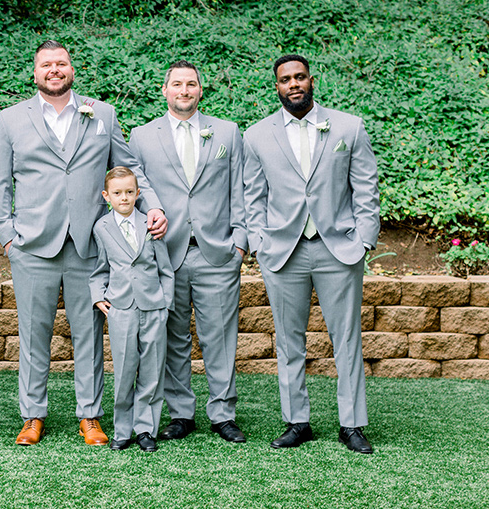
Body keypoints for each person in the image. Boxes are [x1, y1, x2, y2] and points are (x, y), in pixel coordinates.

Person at [0, 40, 167, 446]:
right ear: (35, 73)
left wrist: (150, 205)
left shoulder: (101, 113)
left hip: (91, 247)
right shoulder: (11, 120)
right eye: (46, 64)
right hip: (33, 246)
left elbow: (130, 168)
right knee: (34, 334)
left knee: (90, 334)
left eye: (61, 63)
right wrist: (9, 238)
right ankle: (33, 415)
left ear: (71, 69)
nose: (54, 69)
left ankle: (90, 416)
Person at [243, 54, 380, 454]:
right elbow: (253, 196)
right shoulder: (256, 136)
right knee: (288, 341)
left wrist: (364, 240)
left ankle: (352, 424)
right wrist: (260, 243)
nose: (294, 84)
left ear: (311, 80)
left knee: (347, 340)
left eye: (300, 77)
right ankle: (297, 421)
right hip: (283, 252)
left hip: (339, 249)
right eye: (285, 79)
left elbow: (366, 187)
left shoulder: (348, 126)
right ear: (277, 87)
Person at [128, 60, 248, 444]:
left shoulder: (227, 132)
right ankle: (180, 413)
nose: (184, 90)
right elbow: (137, 183)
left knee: (221, 337)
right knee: (172, 337)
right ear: (164, 90)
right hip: (166, 251)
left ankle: (223, 413)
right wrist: (153, 210)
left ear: (200, 90)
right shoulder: (142, 136)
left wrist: (240, 241)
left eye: (191, 84)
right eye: (176, 84)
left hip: (217, 251)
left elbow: (240, 188)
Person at [90, 167, 174, 453]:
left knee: (151, 370)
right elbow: (100, 268)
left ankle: (146, 429)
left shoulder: (151, 224)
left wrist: (165, 304)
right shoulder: (101, 228)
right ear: (106, 196)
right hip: (121, 308)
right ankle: (122, 430)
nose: (123, 198)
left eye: (129, 192)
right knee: (125, 370)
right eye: (117, 193)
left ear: (138, 194)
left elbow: (166, 269)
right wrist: (98, 296)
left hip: (153, 307)